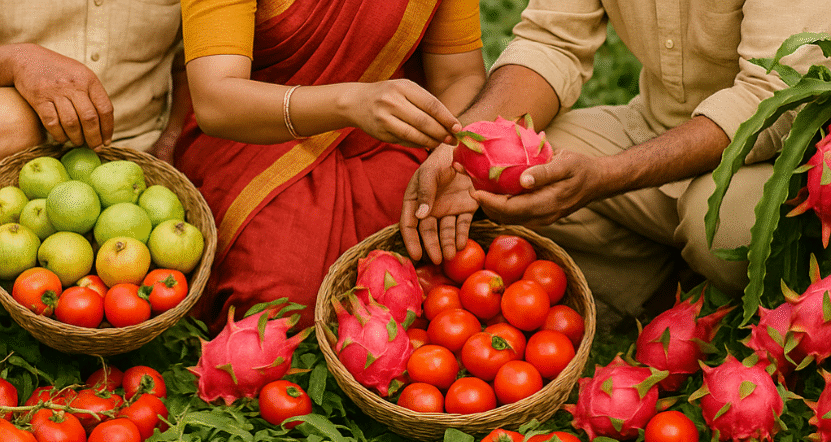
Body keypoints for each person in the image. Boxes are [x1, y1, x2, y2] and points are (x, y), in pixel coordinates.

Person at [401, 0, 830, 319]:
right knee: (517, 173)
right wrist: (464, 146)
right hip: (653, 127)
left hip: (772, 161)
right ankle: (670, 287)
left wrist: (611, 175)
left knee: (719, 226)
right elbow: (551, 42)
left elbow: (772, 98)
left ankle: (734, 294)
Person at [175, 0, 486, 333]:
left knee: (425, 289)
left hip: (386, 133)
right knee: (277, 306)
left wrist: (446, 154)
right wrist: (351, 103)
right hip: (257, 133)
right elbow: (216, 101)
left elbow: (459, 75)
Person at [0, 0, 189, 162]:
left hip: (139, 150)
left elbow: (187, 63)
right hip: (15, 144)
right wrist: (16, 59)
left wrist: (172, 138)